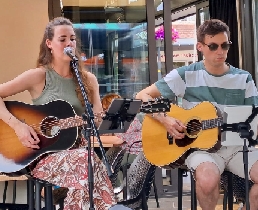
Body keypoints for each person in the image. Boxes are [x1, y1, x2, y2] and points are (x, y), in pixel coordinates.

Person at [136, 19, 258, 210]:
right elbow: (142, 95)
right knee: (208, 180)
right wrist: (165, 119)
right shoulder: (185, 74)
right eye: (213, 46)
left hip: (237, 147)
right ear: (200, 47)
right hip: (202, 149)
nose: (220, 51)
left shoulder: (243, 78)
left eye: (225, 45)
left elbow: (254, 115)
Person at [0, 17, 116, 209]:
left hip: (80, 152)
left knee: (88, 165)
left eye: (72, 39)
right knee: (88, 164)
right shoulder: (38, 76)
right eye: (62, 39)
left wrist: (101, 119)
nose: (69, 43)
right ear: (49, 44)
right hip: (42, 155)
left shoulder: (89, 80)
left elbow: (95, 122)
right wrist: (17, 125)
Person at [98, 93, 143, 186]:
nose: (106, 112)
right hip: (125, 151)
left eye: (107, 109)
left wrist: (91, 138)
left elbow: (118, 140)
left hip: (136, 153)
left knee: (108, 163)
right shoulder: (117, 120)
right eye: (105, 110)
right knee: (104, 158)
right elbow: (104, 134)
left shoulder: (129, 120)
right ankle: (110, 189)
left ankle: (116, 190)